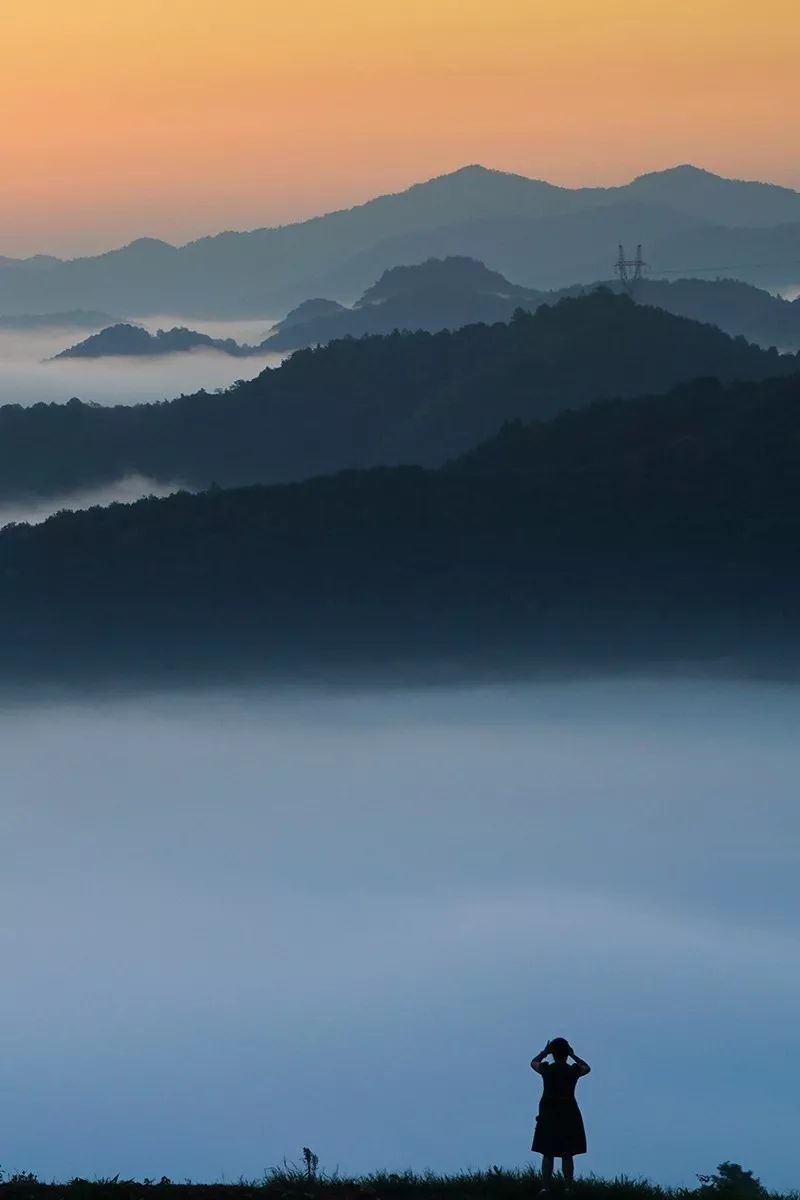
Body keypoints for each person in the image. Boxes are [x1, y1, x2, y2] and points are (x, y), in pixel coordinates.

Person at [530, 1037, 591, 1190]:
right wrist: (573, 1055)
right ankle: (568, 1187)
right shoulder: (572, 1071)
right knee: (567, 1153)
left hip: (549, 1113)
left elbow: (533, 1063)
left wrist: (544, 1053)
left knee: (547, 1151)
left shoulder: (547, 1069)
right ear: (566, 1053)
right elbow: (586, 1067)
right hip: (568, 1112)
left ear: (553, 1053)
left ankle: (545, 1187)